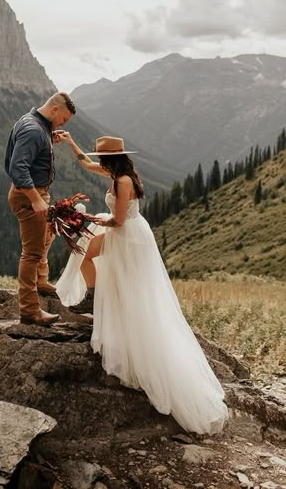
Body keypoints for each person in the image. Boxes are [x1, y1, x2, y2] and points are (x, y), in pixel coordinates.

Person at [55, 133, 229, 435]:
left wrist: (88, 219)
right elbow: (84, 163)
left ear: (110, 159)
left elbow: (119, 221)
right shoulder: (116, 173)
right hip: (124, 233)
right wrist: (70, 142)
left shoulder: (123, 182)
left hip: (129, 237)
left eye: (101, 157)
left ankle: (94, 300)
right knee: (87, 255)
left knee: (112, 272)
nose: (98, 161)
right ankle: (94, 298)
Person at [5, 92, 76, 325]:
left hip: (36, 193)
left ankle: (42, 281)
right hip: (29, 195)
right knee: (32, 253)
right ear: (55, 110)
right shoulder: (34, 130)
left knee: (47, 235)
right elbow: (18, 168)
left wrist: (49, 137)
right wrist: (36, 199)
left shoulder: (37, 125)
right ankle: (29, 310)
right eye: (63, 119)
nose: (63, 123)